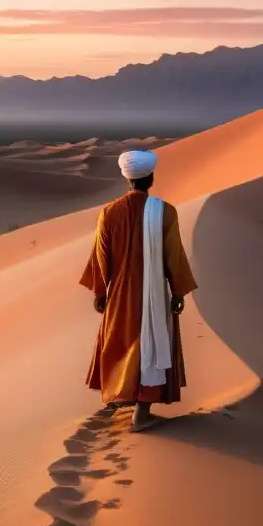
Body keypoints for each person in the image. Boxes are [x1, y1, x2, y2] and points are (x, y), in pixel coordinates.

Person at [79, 149, 197, 432]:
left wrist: (100, 292)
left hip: (119, 295)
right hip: (154, 293)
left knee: (121, 344)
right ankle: (142, 413)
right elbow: (173, 256)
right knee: (152, 345)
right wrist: (178, 292)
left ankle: (124, 396)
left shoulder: (109, 213)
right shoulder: (165, 211)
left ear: (127, 179)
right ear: (151, 178)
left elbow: (100, 256)